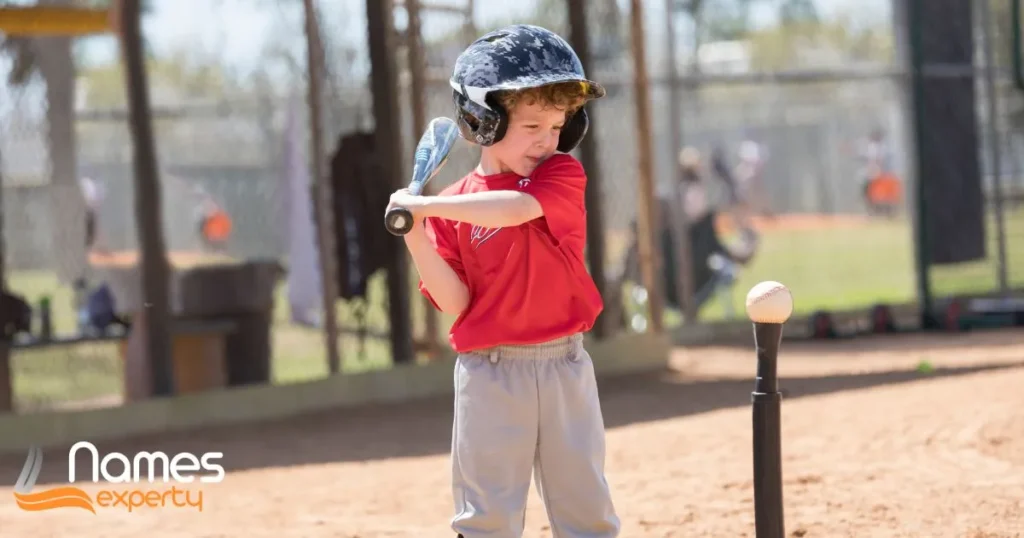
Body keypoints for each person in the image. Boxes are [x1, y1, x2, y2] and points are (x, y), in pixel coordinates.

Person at [384, 24, 620, 538]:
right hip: (489, 376)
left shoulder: (559, 176)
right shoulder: (450, 205)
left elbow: (514, 209)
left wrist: (425, 203)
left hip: (564, 364)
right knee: (485, 515)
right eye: (532, 124)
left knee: (586, 508)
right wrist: (415, 233)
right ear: (484, 121)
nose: (547, 139)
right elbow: (454, 300)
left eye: (557, 126)